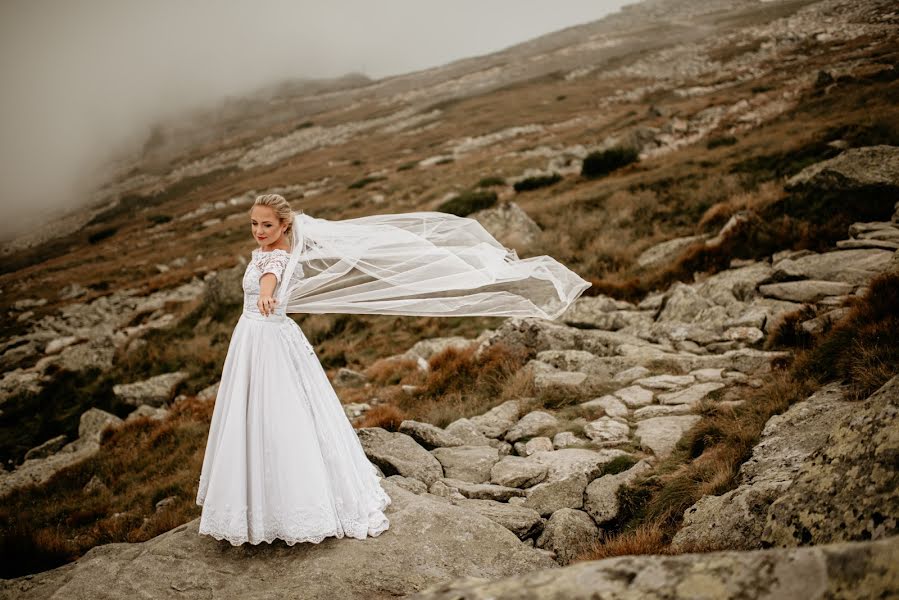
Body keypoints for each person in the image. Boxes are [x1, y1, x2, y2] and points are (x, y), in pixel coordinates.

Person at [195, 193, 591, 546]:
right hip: (257, 338)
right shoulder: (266, 253)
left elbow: (269, 284)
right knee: (263, 414)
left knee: (274, 414)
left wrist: (266, 297)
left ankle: (278, 503)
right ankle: (261, 497)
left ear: (285, 226)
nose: (259, 231)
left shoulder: (277, 258)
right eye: (254, 224)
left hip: (266, 339)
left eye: (267, 224)